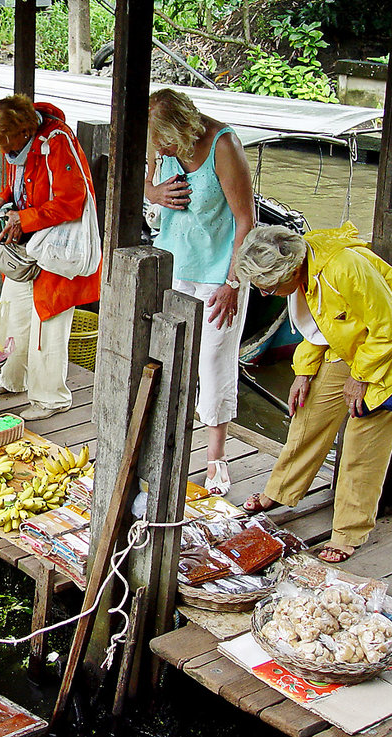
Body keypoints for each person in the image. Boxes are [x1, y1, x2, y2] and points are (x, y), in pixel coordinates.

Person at [234, 223, 392, 563]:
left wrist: (361, 375)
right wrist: (305, 370)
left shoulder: (344, 267)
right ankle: (280, 491)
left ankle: (349, 532)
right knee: (308, 412)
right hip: (351, 342)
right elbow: (319, 324)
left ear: (289, 271)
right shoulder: (302, 266)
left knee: (363, 439)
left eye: (268, 288)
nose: (266, 295)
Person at [145, 88, 255, 496]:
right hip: (173, 263)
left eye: (165, 142)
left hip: (217, 272)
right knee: (169, 356)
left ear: (185, 127)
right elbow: (141, 179)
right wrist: (153, 192)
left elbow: (247, 221)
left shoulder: (223, 145)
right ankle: (165, 441)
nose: (160, 149)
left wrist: (233, 283)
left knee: (213, 359)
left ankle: (215, 458)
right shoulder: (160, 142)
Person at [0, 94, 101, 421]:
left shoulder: (57, 142)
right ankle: (12, 378)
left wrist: (25, 218)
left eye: (7, 146)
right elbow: (17, 183)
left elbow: (73, 201)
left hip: (57, 250)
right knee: (13, 314)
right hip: (26, 249)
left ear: (23, 131)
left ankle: (51, 398)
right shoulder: (12, 145)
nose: (5, 153)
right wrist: (2, 198)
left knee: (49, 323)